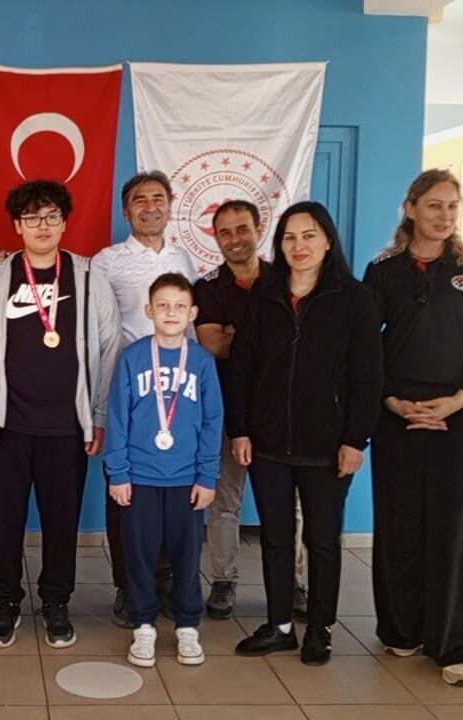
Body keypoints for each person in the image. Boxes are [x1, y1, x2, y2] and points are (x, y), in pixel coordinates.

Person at [0, 179, 122, 649]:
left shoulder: (88, 277)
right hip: (6, 425)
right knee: (3, 521)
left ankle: (56, 603)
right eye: (32, 218)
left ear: (64, 223)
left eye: (51, 216)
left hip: (67, 427)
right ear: (17, 226)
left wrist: (98, 415)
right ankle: (6, 603)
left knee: (61, 522)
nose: (42, 226)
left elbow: (109, 346)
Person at [225, 202, 383, 666]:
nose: (299, 246)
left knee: (323, 540)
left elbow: (368, 376)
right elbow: (242, 368)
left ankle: (320, 628)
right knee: (275, 538)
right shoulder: (264, 294)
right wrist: (240, 429)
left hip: (328, 445)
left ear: (328, 240)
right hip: (268, 441)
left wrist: (356, 439)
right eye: (290, 237)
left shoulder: (354, 299)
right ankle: (279, 625)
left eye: (309, 235)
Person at [363, 169, 463, 687]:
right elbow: (365, 342)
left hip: (458, 414)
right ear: (411, 208)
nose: (444, 215)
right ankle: (401, 628)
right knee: (400, 521)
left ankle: (453, 644)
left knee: (452, 526)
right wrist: (391, 400)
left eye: (452, 206)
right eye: (434, 205)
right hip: (397, 412)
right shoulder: (384, 270)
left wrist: (460, 398)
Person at [93, 171, 199, 627]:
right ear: (126, 211)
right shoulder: (107, 262)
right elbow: (95, 329)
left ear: (170, 206)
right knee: (125, 495)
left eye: (158, 198)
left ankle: (169, 585)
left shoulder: (185, 259)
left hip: (179, 399)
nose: (150, 207)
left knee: (174, 495)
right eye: (140, 200)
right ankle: (128, 586)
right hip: (128, 396)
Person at [193, 199, 307, 620]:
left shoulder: (288, 279)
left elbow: (299, 343)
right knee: (224, 500)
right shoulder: (207, 287)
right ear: (216, 238)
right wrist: (266, 338)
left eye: (242, 229)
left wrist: (237, 333)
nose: (234, 239)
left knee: (290, 503)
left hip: (282, 410)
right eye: (225, 232)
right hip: (227, 409)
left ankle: (293, 583)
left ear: (259, 229)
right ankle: (224, 580)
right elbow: (212, 344)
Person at [105, 273, 221, 668]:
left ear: (193, 313)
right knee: (139, 554)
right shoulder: (133, 357)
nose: (171, 313)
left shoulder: (202, 362)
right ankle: (143, 625)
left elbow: (213, 422)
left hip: (187, 479)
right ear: (149, 310)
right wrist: (118, 472)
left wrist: (207, 476)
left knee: (186, 556)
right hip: (139, 477)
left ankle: (187, 625)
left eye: (180, 306)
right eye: (163, 305)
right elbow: (117, 417)